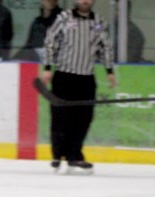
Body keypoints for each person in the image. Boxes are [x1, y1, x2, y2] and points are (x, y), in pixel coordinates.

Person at [40, 0, 116, 175]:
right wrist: (47, 67)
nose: (85, 1)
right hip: (64, 75)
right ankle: (57, 155)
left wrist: (109, 70)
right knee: (61, 117)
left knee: (83, 118)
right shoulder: (64, 18)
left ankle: (75, 155)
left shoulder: (99, 21)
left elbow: (105, 48)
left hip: (86, 77)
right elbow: (51, 41)